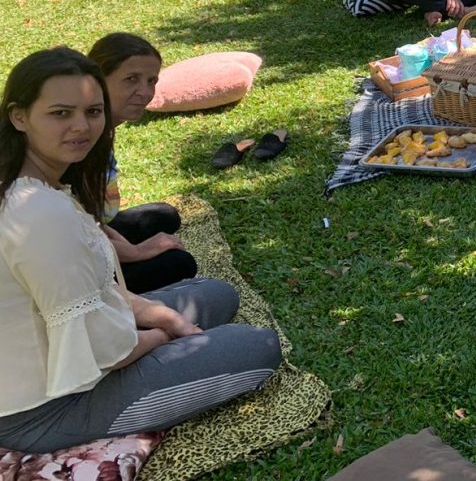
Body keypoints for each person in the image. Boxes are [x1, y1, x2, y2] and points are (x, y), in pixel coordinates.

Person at [0, 48, 281, 452]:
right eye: (61, 113)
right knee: (257, 345)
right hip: (42, 410)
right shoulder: (38, 212)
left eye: (93, 112)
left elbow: (100, 291)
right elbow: (102, 352)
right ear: (19, 116)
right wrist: (162, 335)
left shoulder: (36, 187)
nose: (81, 127)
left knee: (218, 293)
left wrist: (163, 316)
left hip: (63, 355)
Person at [85, 33, 197, 294]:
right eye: (131, 79)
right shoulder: (81, 137)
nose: (145, 92)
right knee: (179, 264)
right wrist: (138, 252)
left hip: (92, 227)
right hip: (76, 258)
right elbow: (82, 237)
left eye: (151, 81)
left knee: (164, 215)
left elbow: (93, 220)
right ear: (98, 79)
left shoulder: (104, 127)